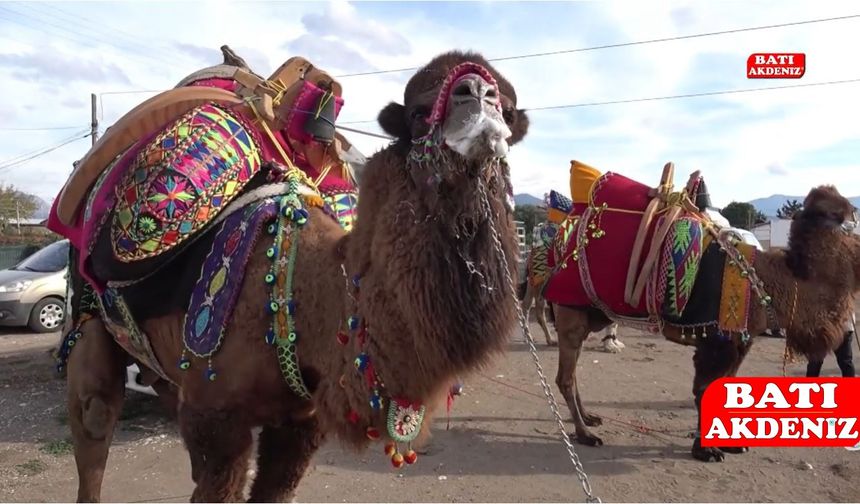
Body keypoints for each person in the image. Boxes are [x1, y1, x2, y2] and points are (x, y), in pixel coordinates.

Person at [806, 312, 855, 378]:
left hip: (841, 327)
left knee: (845, 362)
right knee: (815, 362)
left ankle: (850, 387)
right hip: (822, 327)